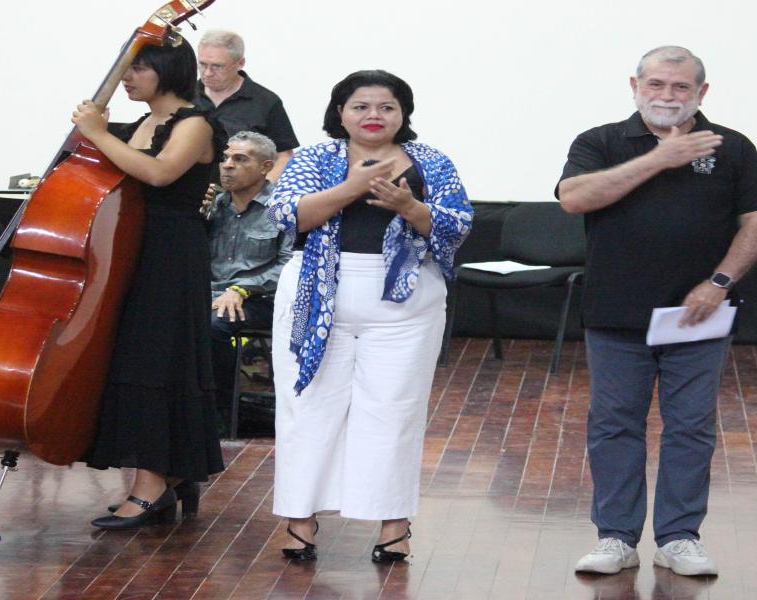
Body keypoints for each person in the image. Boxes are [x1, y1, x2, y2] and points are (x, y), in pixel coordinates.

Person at [556, 46, 757, 576]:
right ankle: (615, 537)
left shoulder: (732, 148)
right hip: (616, 314)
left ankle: (679, 537)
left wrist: (720, 282)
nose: (667, 96)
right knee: (613, 425)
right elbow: (574, 198)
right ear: (634, 85)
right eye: (656, 85)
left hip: (698, 316)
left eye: (681, 87)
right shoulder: (600, 141)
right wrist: (658, 158)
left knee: (691, 427)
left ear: (702, 93)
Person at [266, 70, 472, 562]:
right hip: (317, 295)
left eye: (387, 107)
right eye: (361, 106)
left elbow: (458, 224)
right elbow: (285, 215)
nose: (374, 116)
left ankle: (393, 528)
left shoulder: (431, 161)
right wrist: (353, 187)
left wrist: (408, 205)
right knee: (308, 406)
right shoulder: (317, 157)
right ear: (340, 113)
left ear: (403, 114)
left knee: (394, 411)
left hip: (406, 302)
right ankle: (300, 522)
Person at [72, 36, 225, 529]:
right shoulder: (144, 122)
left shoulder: (196, 122)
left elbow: (159, 174)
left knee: (159, 361)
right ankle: (166, 474)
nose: (128, 78)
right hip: (135, 250)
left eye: (138, 69)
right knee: (136, 360)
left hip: (172, 253)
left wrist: (98, 132)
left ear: (167, 70)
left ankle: (153, 485)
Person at [206, 131, 292, 425]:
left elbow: (289, 264)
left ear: (266, 167)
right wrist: (194, 218)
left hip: (261, 298)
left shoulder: (283, 208)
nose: (227, 165)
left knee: (214, 325)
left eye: (240, 159)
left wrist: (242, 288)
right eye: (225, 158)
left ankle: (219, 413)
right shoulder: (213, 205)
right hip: (210, 293)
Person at [195, 30, 299, 183]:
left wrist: (260, 195)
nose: (208, 73)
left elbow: (284, 155)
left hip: (241, 198)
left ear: (240, 63)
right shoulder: (182, 95)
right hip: (185, 196)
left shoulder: (266, 101)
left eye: (218, 66)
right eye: (203, 64)